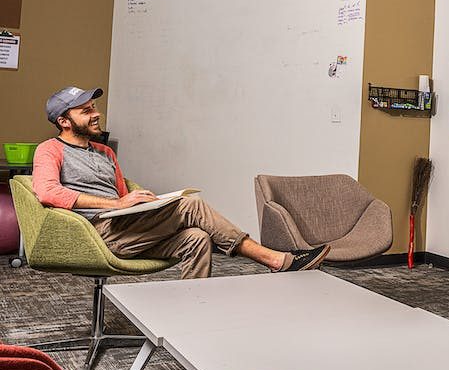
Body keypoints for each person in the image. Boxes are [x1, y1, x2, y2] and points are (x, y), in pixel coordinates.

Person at [32, 86, 330, 279]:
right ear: (64, 121)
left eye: (94, 106)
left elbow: (123, 197)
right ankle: (274, 259)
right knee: (191, 206)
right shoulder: (50, 150)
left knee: (197, 238)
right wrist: (117, 203)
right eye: (86, 111)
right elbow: (46, 191)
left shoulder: (105, 152)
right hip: (96, 233)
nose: (96, 114)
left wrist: (144, 204)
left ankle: (190, 311)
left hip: (126, 228)